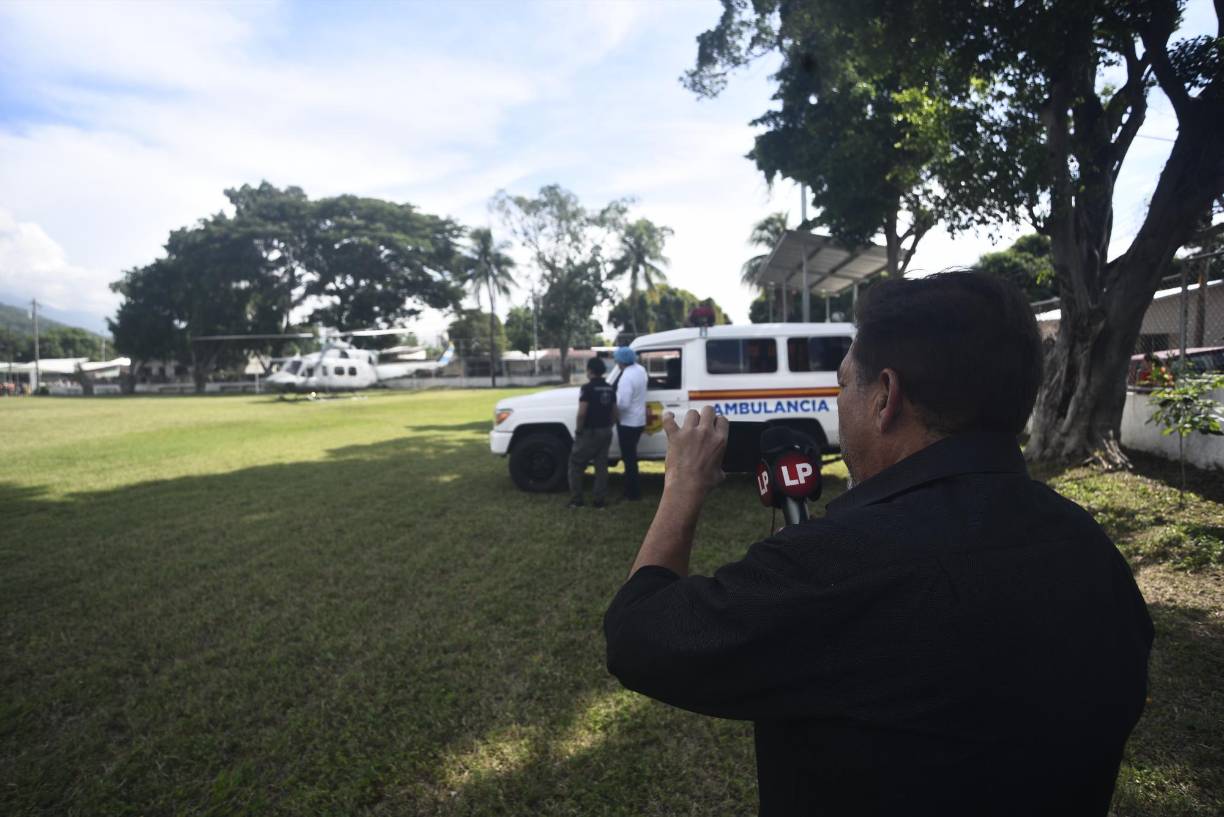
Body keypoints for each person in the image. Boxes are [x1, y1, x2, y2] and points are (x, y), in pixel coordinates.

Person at [603, 271, 1153, 816]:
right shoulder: (1095, 554)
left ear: (885, 396)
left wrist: (682, 485)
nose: (839, 400)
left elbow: (637, 634)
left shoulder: (836, 567)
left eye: (844, 384)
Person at [568, 356, 618, 509]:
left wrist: (578, 430)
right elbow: (615, 412)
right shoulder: (610, 388)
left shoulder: (587, 388)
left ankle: (577, 500)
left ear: (589, 370)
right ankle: (599, 501)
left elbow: (582, 413)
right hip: (606, 431)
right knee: (601, 466)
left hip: (589, 432)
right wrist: (609, 425)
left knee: (576, 464)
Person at [613, 346, 647, 501]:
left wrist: (613, 402)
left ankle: (632, 493)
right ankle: (633, 490)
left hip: (627, 422)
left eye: (617, 361)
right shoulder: (640, 370)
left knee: (629, 459)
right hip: (639, 420)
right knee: (631, 457)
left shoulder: (626, 377)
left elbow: (624, 404)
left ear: (621, 362)